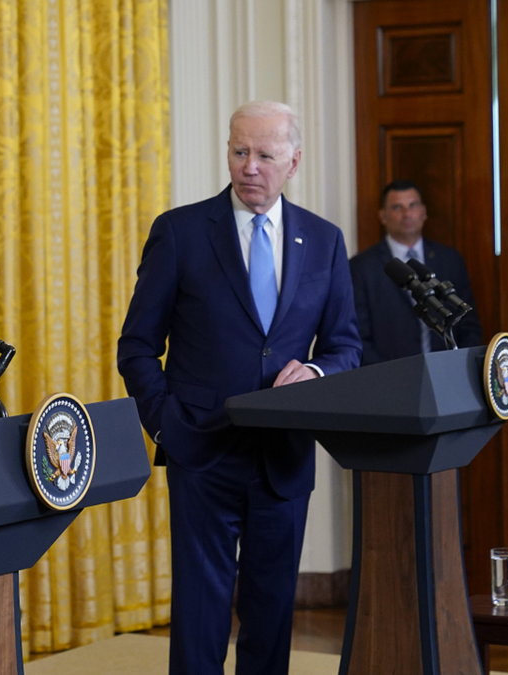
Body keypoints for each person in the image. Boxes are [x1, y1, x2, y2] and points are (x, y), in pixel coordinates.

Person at [117, 101, 361, 675]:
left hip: (285, 453)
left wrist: (318, 373)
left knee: (272, 610)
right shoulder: (178, 232)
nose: (249, 166)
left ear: (294, 161)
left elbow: (346, 346)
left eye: (265, 155)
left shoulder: (323, 241)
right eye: (238, 151)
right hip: (200, 449)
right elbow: (136, 347)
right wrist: (165, 424)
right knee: (201, 613)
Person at [348, 180, 482, 364]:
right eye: (397, 207)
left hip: (448, 372)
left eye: (413, 205)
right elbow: (358, 336)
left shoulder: (450, 260)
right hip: (390, 380)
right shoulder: (361, 267)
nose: (407, 213)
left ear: (424, 212)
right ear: (383, 216)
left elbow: (469, 324)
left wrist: (458, 365)